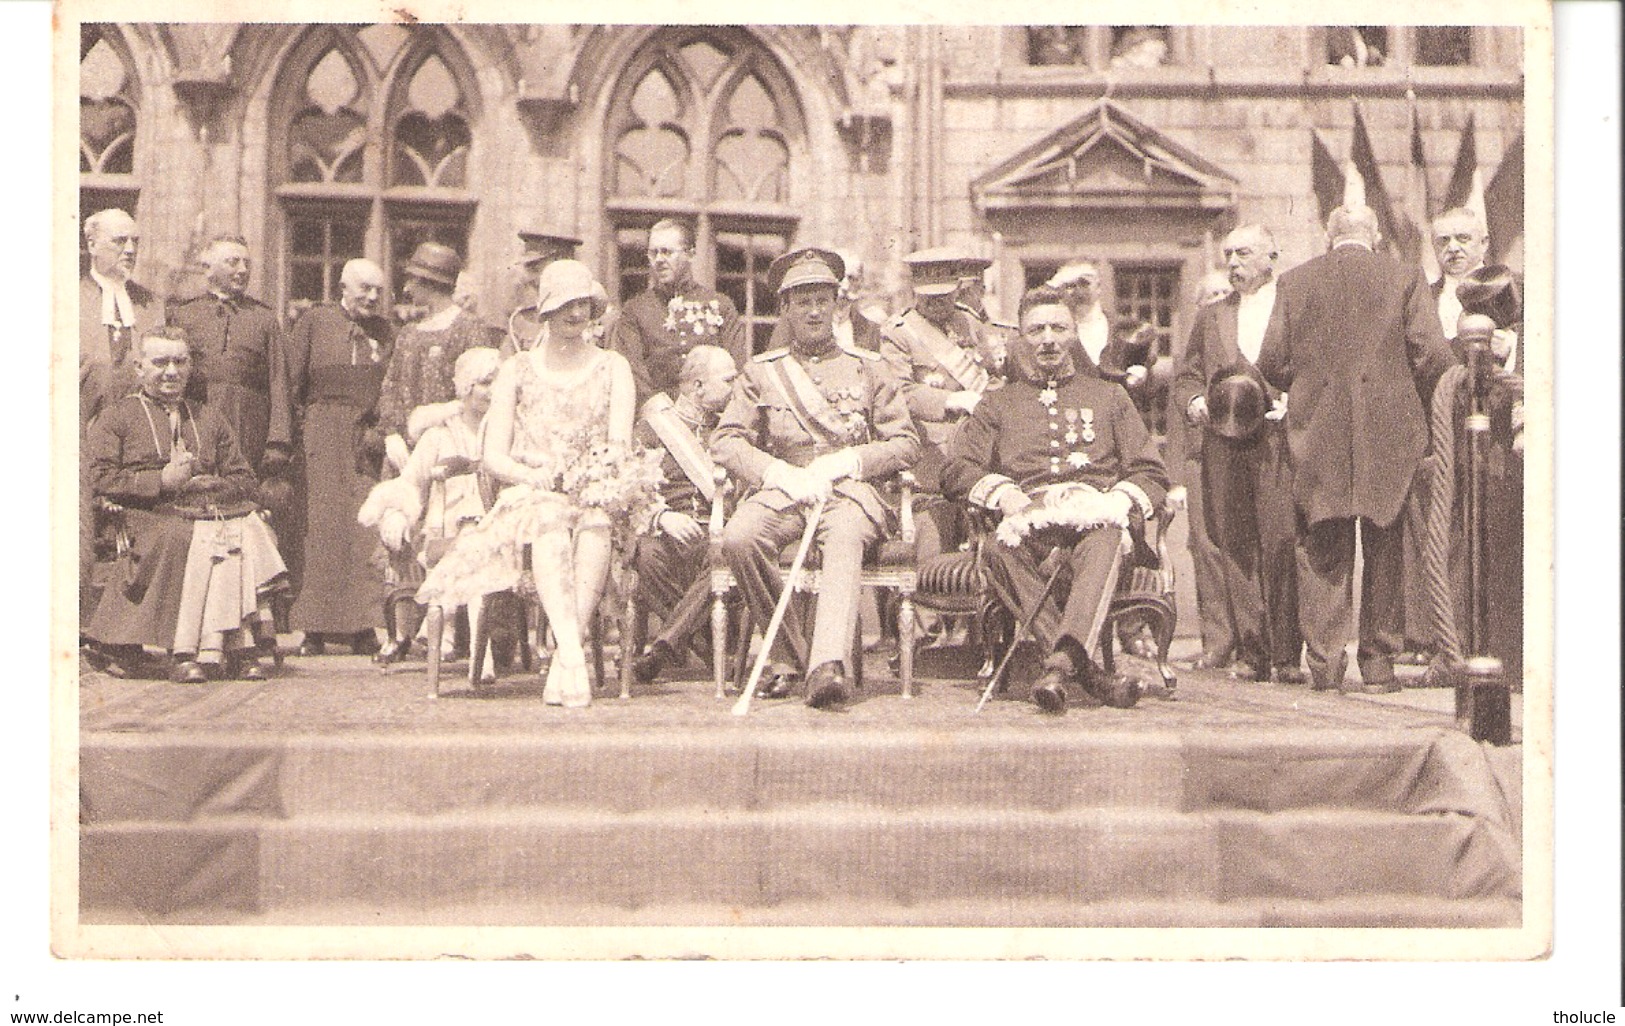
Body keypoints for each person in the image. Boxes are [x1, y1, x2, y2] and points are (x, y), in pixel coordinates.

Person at [417, 261, 655, 708]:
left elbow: (619, 445)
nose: (575, 313)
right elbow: (494, 455)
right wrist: (533, 474)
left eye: (582, 303)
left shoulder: (613, 367)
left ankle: (566, 654)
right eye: (564, 304)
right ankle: (574, 655)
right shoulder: (519, 369)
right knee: (548, 520)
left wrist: (594, 477)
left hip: (594, 490)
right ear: (545, 311)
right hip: (532, 492)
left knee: (596, 521)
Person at [1256, 205, 1454, 694]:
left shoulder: (1295, 282)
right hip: (1390, 433)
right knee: (1386, 547)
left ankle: (1324, 664)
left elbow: (1272, 362)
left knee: (1322, 546)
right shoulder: (1405, 278)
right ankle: (1380, 666)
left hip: (1317, 431)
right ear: (1377, 237)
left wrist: (1313, 387)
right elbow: (1431, 356)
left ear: (1329, 238)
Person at [942, 287, 1168, 713]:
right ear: (1020, 338)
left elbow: (1151, 471)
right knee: (995, 548)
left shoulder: (1108, 396)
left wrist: (1113, 502)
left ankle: (1061, 665)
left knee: (1105, 538)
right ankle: (1082, 671)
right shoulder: (998, 403)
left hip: (1095, 533)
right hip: (1030, 531)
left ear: (1073, 334)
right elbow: (956, 470)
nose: (1047, 339)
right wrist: (1004, 493)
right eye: (1036, 330)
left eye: (1058, 328)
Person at [713, 248, 920, 709]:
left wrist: (850, 461)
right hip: (787, 488)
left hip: (848, 490)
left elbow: (906, 442)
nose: (813, 311)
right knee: (740, 537)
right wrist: (777, 471)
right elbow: (727, 441)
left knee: (844, 533)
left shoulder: (869, 367)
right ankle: (790, 653)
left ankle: (828, 666)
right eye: (801, 301)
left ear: (837, 305)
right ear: (784, 308)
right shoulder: (762, 372)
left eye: (822, 300)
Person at [84, 328, 286, 683]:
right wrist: (160, 481)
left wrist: (208, 484)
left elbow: (243, 477)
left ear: (191, 367)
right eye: (160, 362)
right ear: (138, 368)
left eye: (180, 361)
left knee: (242, 531)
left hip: (207, 510)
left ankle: (229, 647)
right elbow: (101, 478)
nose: (171, 372)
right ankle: (192, 649)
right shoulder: (117, 417)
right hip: (145, 515)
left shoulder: (208, 416)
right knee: (189, 537)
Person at [1173, 225, 1304, 683]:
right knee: (1238, 549)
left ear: (1271, 254)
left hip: (1277, 444)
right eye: (1228, 254)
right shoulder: (1211, 317)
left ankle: (1287, 655)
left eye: (1243, 253)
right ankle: (1252, 653)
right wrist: (1196, 404)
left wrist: (1295, 402)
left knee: (1283, 543)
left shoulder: (1296, 307)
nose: (1233, 262)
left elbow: (1316, 370)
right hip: (1224, 444)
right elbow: (1187, 375)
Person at [359, 347, 502, 664]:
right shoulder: (438, 436)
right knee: (462, 535)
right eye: (485, 383)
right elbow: (410, 484)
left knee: (474, 535)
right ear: (466, 388)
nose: (492, 393)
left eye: (498, 384)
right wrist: (397, 514)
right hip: (443, 532)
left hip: (499, 529)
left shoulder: (506, 432)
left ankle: (443, 623)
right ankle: (458, 635)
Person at [286, 258, 395, 656]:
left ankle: (363, 626)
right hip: (321, 433)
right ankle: (314, 628)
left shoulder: (384, 332)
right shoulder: (314, 322)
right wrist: (300, 432)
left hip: (366, 438)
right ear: (343, 287)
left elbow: (392, 388)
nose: (372, 296)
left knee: (363, 527)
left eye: (378, 290)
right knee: (323, 527)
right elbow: (291, 381)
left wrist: (379, 432)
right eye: (365, 288)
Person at [878, 247, 1003, 562]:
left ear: (958, 288)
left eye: (944, 297)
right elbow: (899, 392)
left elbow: (994, 378)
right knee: (932, 555)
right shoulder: (898, 334)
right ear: (915, 291)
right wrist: (951, 400)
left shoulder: (970, 323)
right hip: (932, 467)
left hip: (980, 456)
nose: (936, 305)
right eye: (928, 298)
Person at [629, 344, 739, 684]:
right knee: (645, 555)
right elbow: (632, 488)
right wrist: (662, 517)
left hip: (718, 533)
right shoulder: (652, 429)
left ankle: (665, 647)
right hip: (667, 531)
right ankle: (705, 647)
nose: (735, 388)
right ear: (697, 386)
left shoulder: (731, 430)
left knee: (727, 555)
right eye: (728, 380)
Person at [80, 208, 163, 625]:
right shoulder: (67, 297)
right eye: (120, 241)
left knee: (136, 542)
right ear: (92, 245)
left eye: (135, 242)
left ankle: (126, 633)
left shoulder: (149, 305)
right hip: (78, 437)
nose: (130, 250)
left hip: (135, 442)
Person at [167, 235, 293, 477]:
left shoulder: (264, 319)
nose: (242, 270)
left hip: (247, 426)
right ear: (208, 268)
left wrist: (278, 443)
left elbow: (279, 383)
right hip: (195, 424)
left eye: (247, 263)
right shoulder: (184, 315)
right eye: (233, 262)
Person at [375, 243, 489, 467]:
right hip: (405, 457)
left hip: (451, 452)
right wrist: (391, 435)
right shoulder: (408, 333)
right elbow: (390, 387)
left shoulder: (468, 328)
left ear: (429, 283)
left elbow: (482, 391)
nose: (406, 289)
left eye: (412, 280)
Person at [612, 218, 748, 401]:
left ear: (690, 254)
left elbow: (738, 369)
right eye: (653, 253)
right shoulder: (635, 310)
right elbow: (632, 373)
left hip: (714, 418)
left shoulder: (722, 306)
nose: (659, 260)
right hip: (657, 419)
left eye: (667, 252)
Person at [1175, 270, 1237, 669]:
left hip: (1251, 446)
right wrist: (1194, 398)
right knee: (1207, 544)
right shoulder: (1201, 331)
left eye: (1224, 293)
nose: (1218, 299)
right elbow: (1182, 387)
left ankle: (1256, 640)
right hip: (1202, 451)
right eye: (1209, 294)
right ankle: (1218, 639)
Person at [501, 227, 581, 355]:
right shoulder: (522, 320)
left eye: (536, 269)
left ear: (562, 261)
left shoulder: (597, 319)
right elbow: (505, 367)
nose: (528, 278)